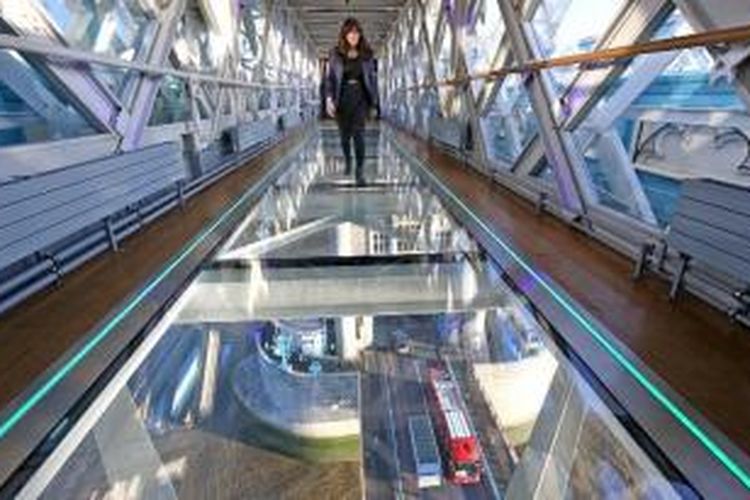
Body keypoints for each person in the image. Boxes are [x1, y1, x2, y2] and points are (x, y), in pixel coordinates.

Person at [325, 18, 379, 186]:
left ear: (360, 34)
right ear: (345, 34)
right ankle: (348, 160)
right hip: (342, 98)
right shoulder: (335, 54)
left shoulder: (367, 54)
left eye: (356, 32)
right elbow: (330, 79)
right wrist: (328, 99)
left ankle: (359, 171)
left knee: (359, 135)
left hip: (361, 97)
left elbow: (372, 79)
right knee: (344, 137)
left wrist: (374, 103)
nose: (354, 36)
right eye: (350, 32)